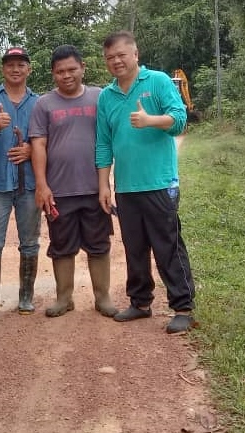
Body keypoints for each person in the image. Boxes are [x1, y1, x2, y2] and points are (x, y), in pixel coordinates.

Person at [95, 30, 196, 334]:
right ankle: (140, 303)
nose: (116, 61)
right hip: (126, 187)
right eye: (110, 57)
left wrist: (150, 120)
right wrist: (104, 185)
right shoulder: (106, 96)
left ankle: (183, 307)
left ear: (135, 55)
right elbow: (103, 144)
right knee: (134, 247)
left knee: (167, 245)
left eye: (121, 55)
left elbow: (179, 119)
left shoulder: (158, 81)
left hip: (159, 182)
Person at [29, 45, 118, 318]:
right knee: (61, 247)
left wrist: (107, 184)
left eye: (71, 69)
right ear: (53, 74)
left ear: (83, 68)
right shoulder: (44, 104)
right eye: (60, 72)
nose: (66, 75)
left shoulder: (99, 97)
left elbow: (111, 137)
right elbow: (38, 145)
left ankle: (102, 297)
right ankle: (64, 298)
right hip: (59, 191)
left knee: (99, 245)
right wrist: (42, 185)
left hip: (95, 188)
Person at [0, 47, 42, 314]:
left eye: (20, 64)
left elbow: (46, 140)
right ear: (3, 69)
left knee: (30, 241)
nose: (15, 69)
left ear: (28, 69)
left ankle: (26, 295)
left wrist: (30, 150)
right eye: (10, 65)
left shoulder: (39, 102)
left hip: (29, 184)